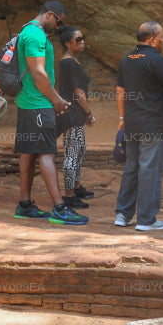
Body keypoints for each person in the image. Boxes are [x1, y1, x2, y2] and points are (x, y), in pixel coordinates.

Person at [115, 21, 163, 231]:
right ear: (152, 40)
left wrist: (122, 118)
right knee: (150, 170)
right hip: (153, 125)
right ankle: (146, 219)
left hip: (131, 123)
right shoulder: (157, 61)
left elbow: (120, 91)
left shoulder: (126, 59)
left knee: (131, 168)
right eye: (162, 36)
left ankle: (122, 214)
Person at [13, 1, 87, 225]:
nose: (58, 27)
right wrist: (56, 100)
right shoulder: (35, 35)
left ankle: (25, 205)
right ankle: (60, 208)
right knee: (47, 153)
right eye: (59, 22)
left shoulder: (28, 31)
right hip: (38, 103)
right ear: (49, 15)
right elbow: (38, 72)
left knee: (28, 152)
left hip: (28, 102)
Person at [57, 26, 97, 210]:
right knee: (72, 154)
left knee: (80, 150)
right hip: (72, 114)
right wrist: (88, 113)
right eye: (78, 40)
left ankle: (76, 187)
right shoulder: (69, 63)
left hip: (75, 114)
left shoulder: (71, 61)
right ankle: (69, 195)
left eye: (83, 38)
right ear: (67, 43)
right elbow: (79, 93)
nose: (82, 42)